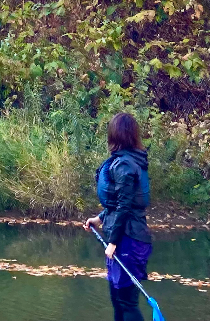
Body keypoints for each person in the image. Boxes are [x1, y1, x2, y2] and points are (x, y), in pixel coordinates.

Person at [84, 112, 152, 321]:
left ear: (115, 135)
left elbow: (125, 206)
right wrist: (99, 219)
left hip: (129, 240)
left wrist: (113, 242)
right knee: (117, 298)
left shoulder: (124, 165)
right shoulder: (128, 161)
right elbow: (118, 204)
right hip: (124, 237)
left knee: (126, 301)